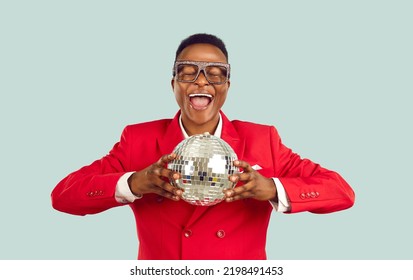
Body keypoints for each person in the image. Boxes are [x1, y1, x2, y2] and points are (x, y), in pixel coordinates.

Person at [51, 33, 355, 260]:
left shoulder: (263, 140)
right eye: (187, 72)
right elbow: (64, 196)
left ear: (226, 87)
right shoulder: (138, 140)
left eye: (215, 73)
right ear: (173, 85)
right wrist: (135, 182)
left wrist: (272, 188)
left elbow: (341, 192)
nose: (201, 82)